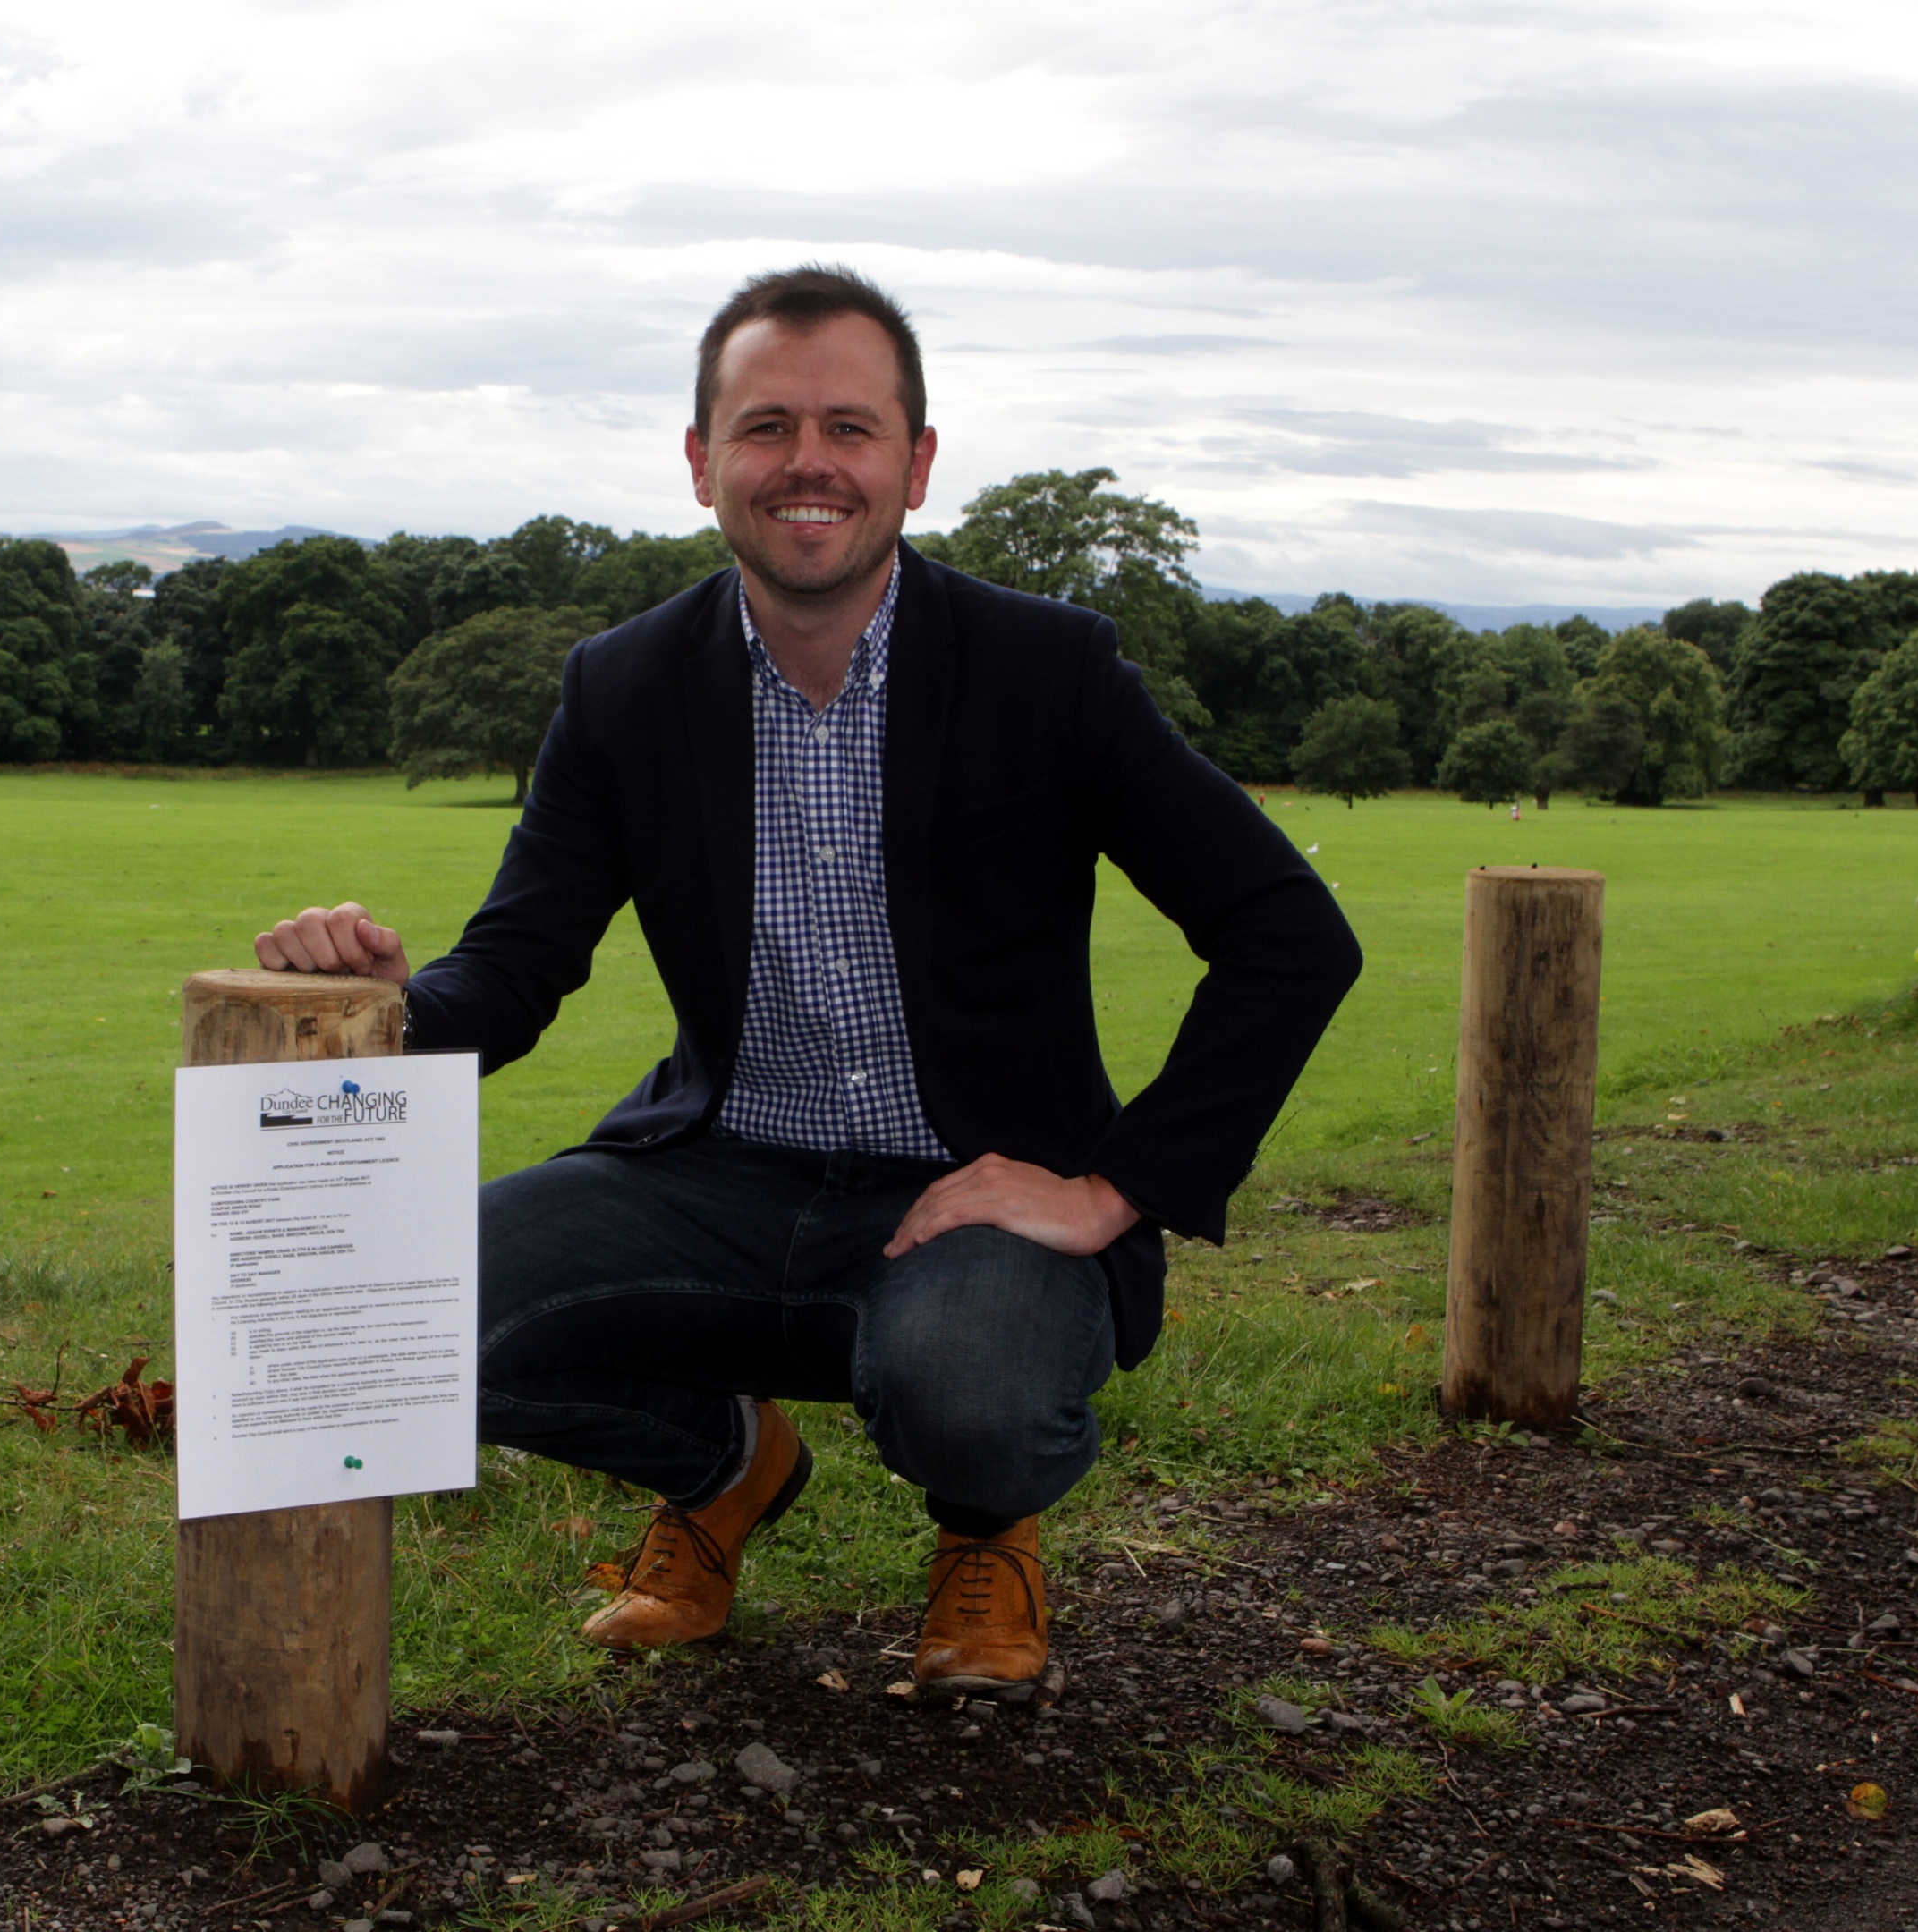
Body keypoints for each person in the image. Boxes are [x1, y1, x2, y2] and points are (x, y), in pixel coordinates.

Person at [254, 265, 1361, 1700]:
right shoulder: (623, 685)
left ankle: (987, 1528)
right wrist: (389, 1009)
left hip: (973, 1186)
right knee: (407, 1304)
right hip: (713, 1167)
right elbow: (518, 972)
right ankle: (726, 1465)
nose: (809, 462)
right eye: (767, 425)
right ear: (705, 463)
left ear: (916, 461)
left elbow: (1290, 934)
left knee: (971, 1384)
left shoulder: (1051, 671)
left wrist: (1107, 1189)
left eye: (851, 425)